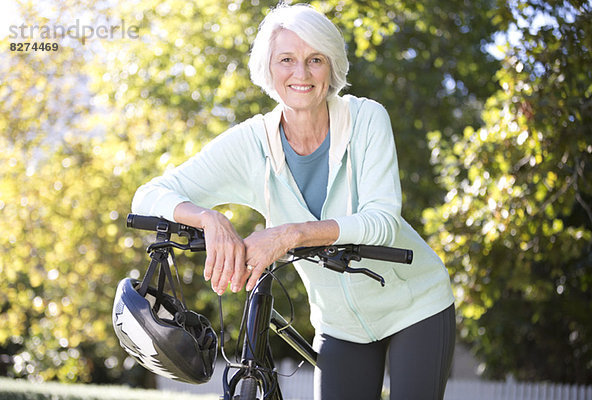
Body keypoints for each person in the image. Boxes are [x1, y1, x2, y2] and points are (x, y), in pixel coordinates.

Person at [132, 3, 455, 399]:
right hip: (341, 327)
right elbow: (148, 196)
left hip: (416, 307)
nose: (300, 74)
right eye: (287, 59)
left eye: (314, 60)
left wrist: (287, 235)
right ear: (269, 68)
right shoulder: (251, 144)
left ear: (331, 67)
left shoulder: (367, 119)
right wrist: (210, 220)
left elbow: (382, 220)